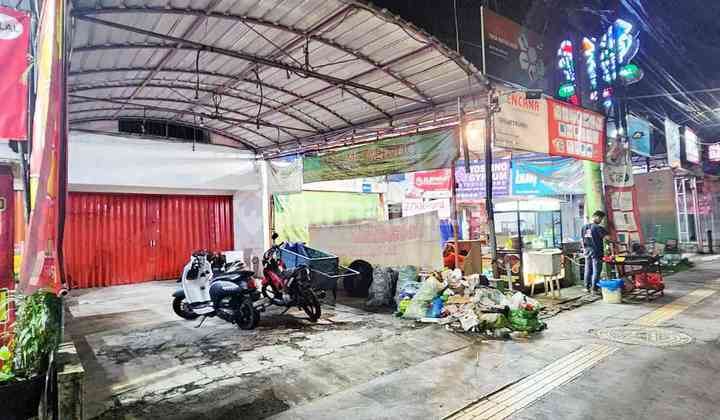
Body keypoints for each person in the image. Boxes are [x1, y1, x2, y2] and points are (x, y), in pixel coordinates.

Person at [582, 210, 610, 294]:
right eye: (600, 218)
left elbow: (582, 239)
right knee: (596, 270)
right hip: (596, 251)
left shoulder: (584, 227)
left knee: (588, 269)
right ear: (596, 217)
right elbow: (608, 237)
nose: (601, 220)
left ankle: (586, 287)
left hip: (587, 250)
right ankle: (594, 289)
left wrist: (584, 249)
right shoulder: (598, 228)